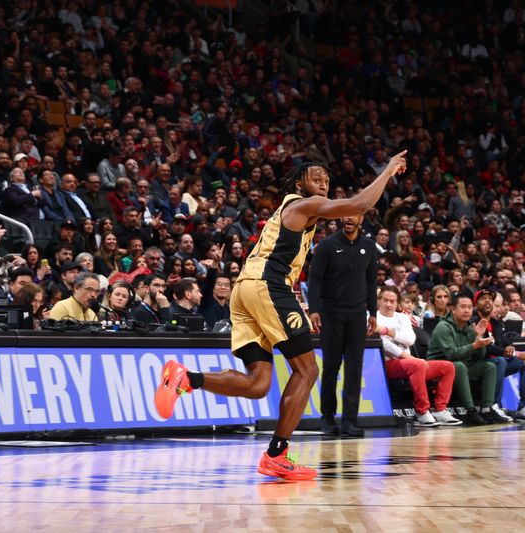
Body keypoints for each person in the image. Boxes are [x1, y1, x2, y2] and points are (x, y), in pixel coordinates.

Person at [155, 152, 408, 480]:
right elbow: (359, 204)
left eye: (327, 182)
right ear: (301, 183)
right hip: (268, 286)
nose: (323, 186)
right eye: (317, 180)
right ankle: (277, 454)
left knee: (259, 384)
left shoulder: (296, 214)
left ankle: (185, 379)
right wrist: (387, 171)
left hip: (245, 291)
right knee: (307, 370)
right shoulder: (301, 205)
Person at [307, 214, 378, 437]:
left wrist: (373, 312)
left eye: (354, 215)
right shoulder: (327, 245)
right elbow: (315, 279)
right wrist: (314, 309)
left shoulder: (368, 246)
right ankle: (327, 417)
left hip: (357, 314)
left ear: (361, 219)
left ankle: (350, 421)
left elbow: (371, 280)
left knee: (355, 368)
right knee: (331, 366)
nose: (349, 218)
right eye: (346, 214)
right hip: (331, 313)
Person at [376, 286, 462, 427]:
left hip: (410, 363)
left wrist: (388, 331)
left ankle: (440, 410)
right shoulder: (373, 317)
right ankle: (421, 412)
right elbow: (384, 344)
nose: (388, 304)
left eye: (392, 301)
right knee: (418, 365)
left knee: (448, 367)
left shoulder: (403, 317)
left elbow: (410, 340)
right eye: (385, 300)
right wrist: (410, 358)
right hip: (387, 363)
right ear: (379, 301)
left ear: (397, 303)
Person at [427, 293, 507, 424]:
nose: (467, 310)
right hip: (439, 368)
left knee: (489, 367)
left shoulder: (470, 326)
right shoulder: (443, 327)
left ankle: (487, 408)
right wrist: (475, 345)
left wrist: (479, 339)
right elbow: (452, 355)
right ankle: (471, 411)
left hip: (461, 366)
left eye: (470, 307)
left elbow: (479, 356)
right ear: (453, 309)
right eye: (463, 307)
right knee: (459, 365)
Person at [474, 290, 525, 422]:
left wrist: (510, 347)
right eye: (483, 299)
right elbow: (485, 347)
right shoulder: (474, 321)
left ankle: (524, 407)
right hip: (479, 363)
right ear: (475, 304)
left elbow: (503, 343)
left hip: (497, 362)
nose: (487, 301)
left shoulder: (496, 324)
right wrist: (514, 353)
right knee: (501, 361)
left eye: (490, 299)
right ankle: (494, 406)